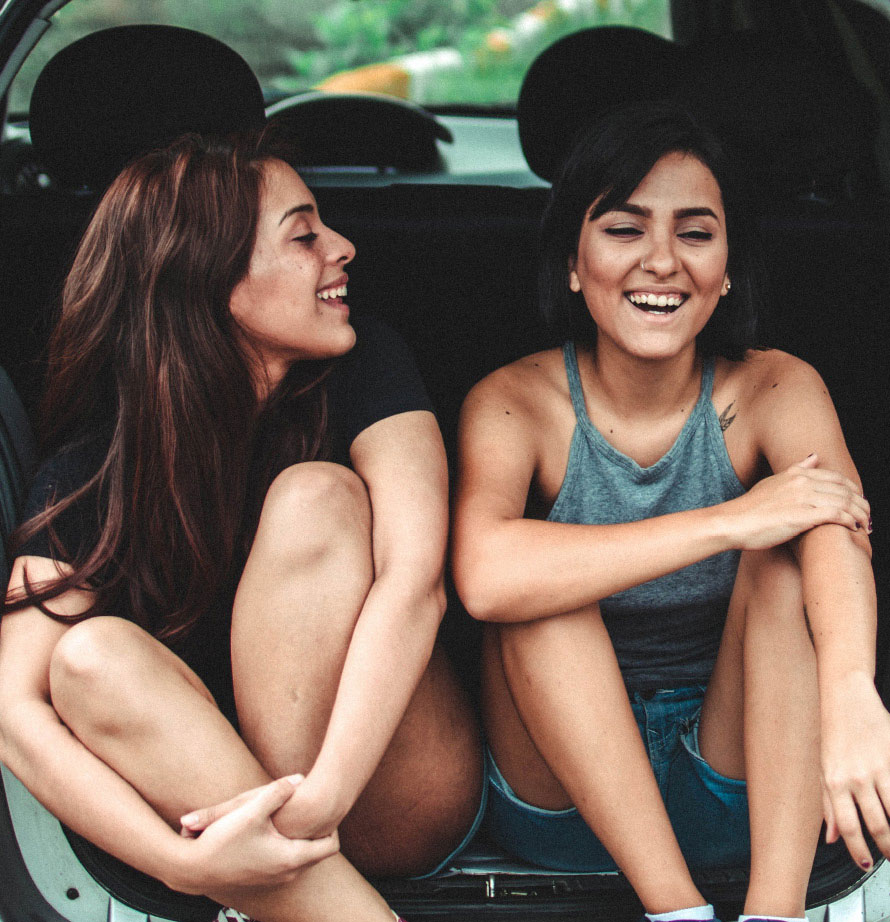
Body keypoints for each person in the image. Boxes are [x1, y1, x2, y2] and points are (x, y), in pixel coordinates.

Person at [0, 128, 483, 922]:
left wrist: (316, 803)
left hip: (389, 787)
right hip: (222, 817)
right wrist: (185, 866)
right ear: (211, 279)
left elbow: (416, 582)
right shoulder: (99, 465)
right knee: (85, 658)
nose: (344, 247)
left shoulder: (367, 369)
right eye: (305, 235)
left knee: (315, 497)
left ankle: (279, 888)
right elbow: (16, 713)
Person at [452, 101, 888, 922]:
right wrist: (729, 520)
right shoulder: (516, 401)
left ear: (727, 270)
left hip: (743, 785)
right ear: (574, 263)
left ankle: (775, 912)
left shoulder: (775, 385)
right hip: (565, 797)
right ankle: (675, 912)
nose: (662, 262)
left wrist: (855, 695)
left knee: (789, 556)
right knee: (535, 586)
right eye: (624, 230)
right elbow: (482, 577)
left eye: (695, 233)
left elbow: (837, 531)